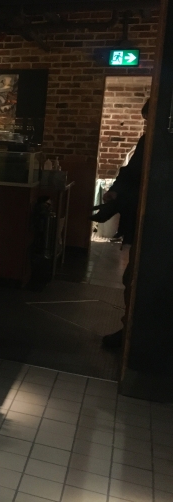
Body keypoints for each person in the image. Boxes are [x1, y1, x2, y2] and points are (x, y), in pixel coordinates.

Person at [98, 99, 148, 349]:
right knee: (134, 277)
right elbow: (131, 171)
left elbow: (131, 172)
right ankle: (131, 331)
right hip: (145, 219)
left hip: (151, 222)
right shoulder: (150, 140)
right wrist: (116, 190)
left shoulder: (153, 140)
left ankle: (132, 335)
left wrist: (118, 192)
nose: (147, 125)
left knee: (136, 278)